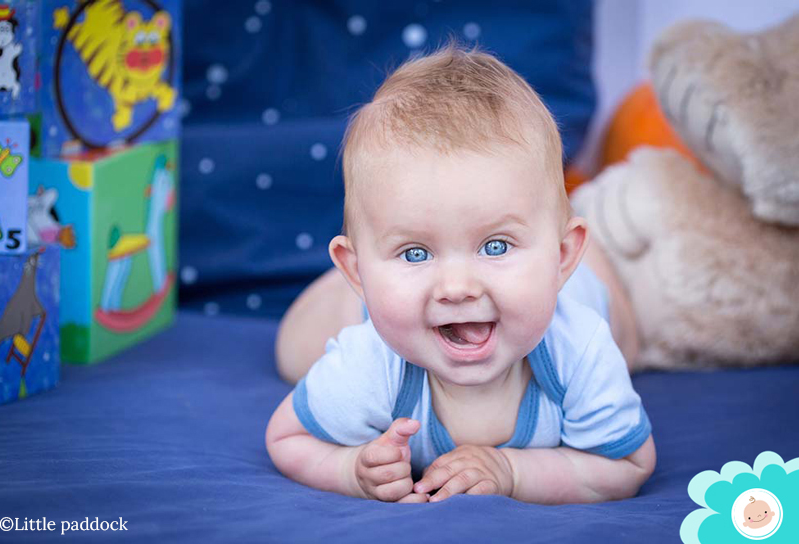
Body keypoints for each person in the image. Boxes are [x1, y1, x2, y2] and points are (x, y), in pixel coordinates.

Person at [266, 43, 656, 504]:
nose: (456, 288)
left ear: (561, 254)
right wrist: (351, 470)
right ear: (355, 268)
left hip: (585, 287)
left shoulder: (581, 350)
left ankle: (586, 255)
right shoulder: (370, 365)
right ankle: (359, 289)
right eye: (415, 252)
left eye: (495, 246)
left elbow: (628, 464)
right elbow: (286, 438)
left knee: (630, 341)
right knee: (293, 350)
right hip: (380, 304)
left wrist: (511, 471)